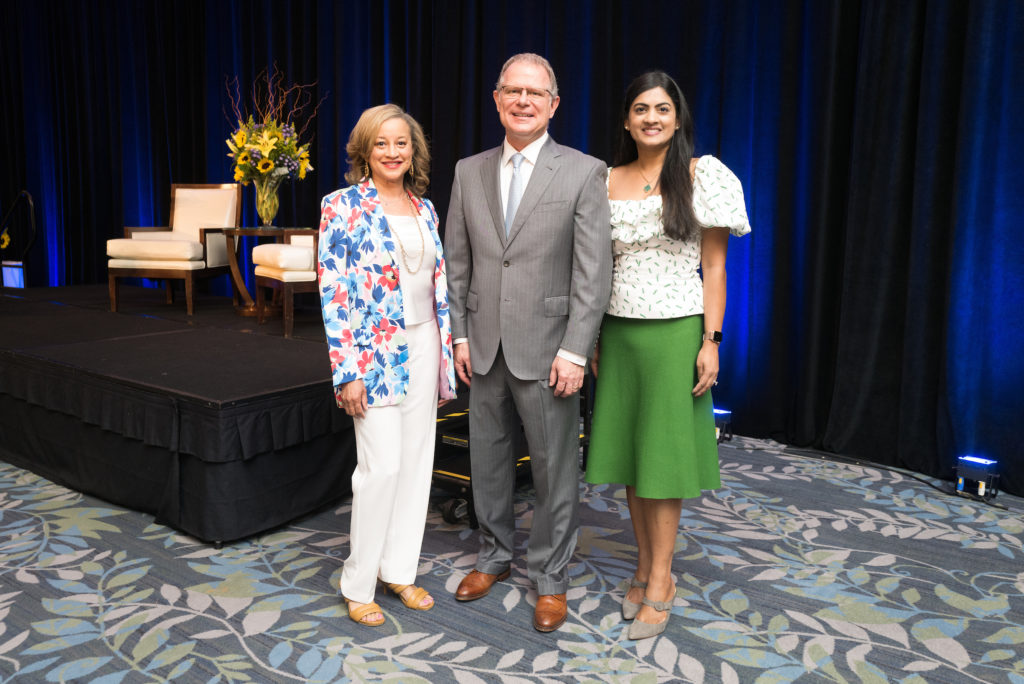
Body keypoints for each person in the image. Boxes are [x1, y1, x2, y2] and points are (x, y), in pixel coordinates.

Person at [444, 53, 612, 633]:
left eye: (535, 93)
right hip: (483, 344)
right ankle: (492, 556)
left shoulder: (584, 172)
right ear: (496, 99)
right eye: (512, 91)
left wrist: (575, 349)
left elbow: (593, 273)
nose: (523, 101)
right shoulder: (468, 171)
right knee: (487, 460)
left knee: (553, 470)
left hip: (549, 349)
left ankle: (550, 577)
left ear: (553, 104)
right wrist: (459, 335)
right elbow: (457, 262)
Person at [585, 71, 751, 640]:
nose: (651, 118)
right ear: (626, 120)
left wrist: (712, 341)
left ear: (677, 119)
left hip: (676, 334)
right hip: (619, 334)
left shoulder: (703, 175)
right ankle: (642, 567)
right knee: (634, 461)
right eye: (640, 109)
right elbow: (599, 267)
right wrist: (595, 338)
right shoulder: (606, 179)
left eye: (662, 108)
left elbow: (716, 267)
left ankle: (661, 580)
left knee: (662, 464)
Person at [318, 104, 457, 627]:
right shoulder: (341, 206)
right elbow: (333, 292)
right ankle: (357, 583)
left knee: (417, 462)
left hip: (425, 343)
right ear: (365, 150)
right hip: (372, 353)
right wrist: (346, 370)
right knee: (381, 469)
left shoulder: (426, 208)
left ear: (413, 151)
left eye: (401, 143)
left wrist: (445, 351)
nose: (392, 152)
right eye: (381, 143)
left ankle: (398, 570)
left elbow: (437, 283)